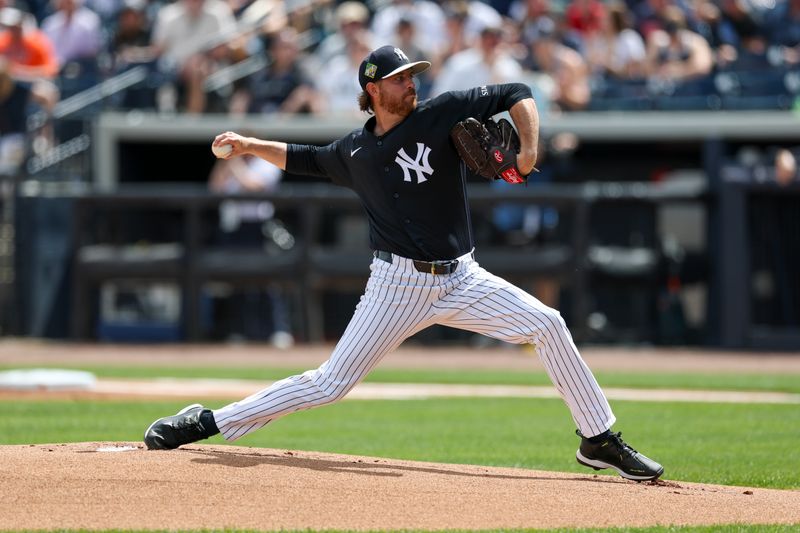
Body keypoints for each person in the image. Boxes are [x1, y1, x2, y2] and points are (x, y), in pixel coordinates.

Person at [143, 44, 664, 482]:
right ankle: (205, 422)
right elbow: (303, 158)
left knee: (548, 324)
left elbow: (516, 93)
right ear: (373, 90)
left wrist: (527, 151)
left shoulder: (441, 114)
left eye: (412, 75)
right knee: (330, 384)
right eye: (398, 78)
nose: (410, 83)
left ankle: (597, 439)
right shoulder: (355, 152)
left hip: (463, 277)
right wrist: (248, 144)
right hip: (395, 286)